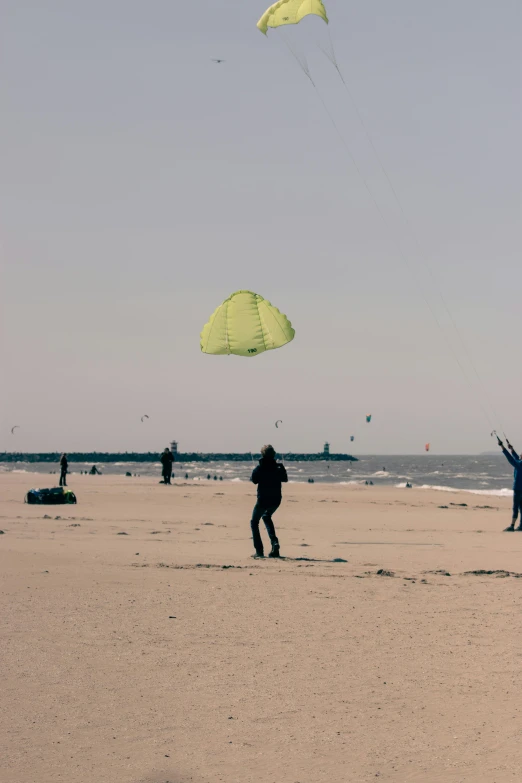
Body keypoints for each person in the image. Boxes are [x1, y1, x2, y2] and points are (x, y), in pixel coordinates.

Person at [250, 445, 287, 558]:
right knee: (266, 516)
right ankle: (274, 543)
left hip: (263, 499)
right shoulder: (278, 467)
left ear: (262, 455)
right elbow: (285, 479)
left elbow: (254, 480)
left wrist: (257, 470)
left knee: (254, 522)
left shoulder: (260, 467)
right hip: (276, 499)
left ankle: (259, 551)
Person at [498, 436, 522, 531]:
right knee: (521, 508)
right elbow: (516, 457)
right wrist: (511, 449)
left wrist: (502, 447)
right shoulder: (519, 463)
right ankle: (521, 526)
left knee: (515, 507)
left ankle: (512, 526)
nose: (520, 455)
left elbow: (511, 459)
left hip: (518, 489)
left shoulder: (519, 464)